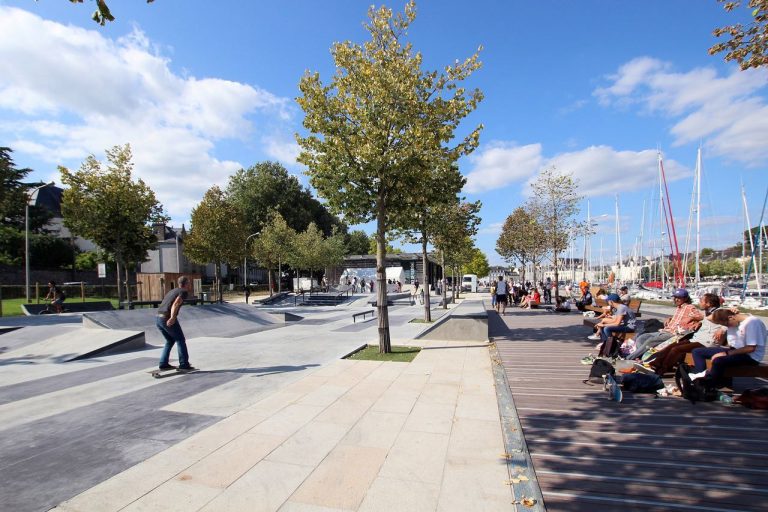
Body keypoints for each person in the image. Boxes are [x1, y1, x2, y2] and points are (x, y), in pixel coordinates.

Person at [647, 293, 725, 375]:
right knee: (671, 345)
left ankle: (663, 369)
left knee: (676, 349)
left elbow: (731, 319)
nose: (699, 303)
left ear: (708, 304)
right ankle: (656, 364)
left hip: (706, 343)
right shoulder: (707, 312)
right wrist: (699, 322)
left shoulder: (720, 312)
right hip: (697, 340)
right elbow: (707, 320)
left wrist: (722, 329)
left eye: (701, 301)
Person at [690, 309, 767, 387]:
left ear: (731, 318)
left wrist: (726, 353)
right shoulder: (733, 320)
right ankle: (700, 379)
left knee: (718, 360)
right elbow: (709, 318)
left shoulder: (752, 323)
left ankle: (710, 385)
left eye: (726, 324)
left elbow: (751, 348)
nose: (727, 327)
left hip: (751, 356)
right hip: (735, 351)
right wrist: (727, 309)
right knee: (697, 351)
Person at [623, 288, 699, 360]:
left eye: (679, 298)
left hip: (674, 334)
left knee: (650, 341)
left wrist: (694, 321)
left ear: (685, 298)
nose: (676, 299)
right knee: (642, 337)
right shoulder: (679, 308)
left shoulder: (689, 307)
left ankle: (629, 358)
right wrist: (670, 318)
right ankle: (641, 357)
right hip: (666, 331)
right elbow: (680, 317)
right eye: (675, 297)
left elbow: (699, 316)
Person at [156, 275, 195, 371]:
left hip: (158, 318)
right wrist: (173, 317)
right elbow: (176, 304)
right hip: (166, 318)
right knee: (180, 340)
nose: (190, 285)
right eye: (189, 283)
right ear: (186, 284)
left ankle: (163, 363)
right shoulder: (183, 292)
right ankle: (184, 364)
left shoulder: (172, 291)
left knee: (170, 341)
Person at [594, 294, 636, 358]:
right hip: (625, 325)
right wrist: (602, 324)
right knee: (603, 328)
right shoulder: (619, 307)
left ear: (611, 301)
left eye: (608, 301)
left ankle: (612, 347)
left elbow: (617, 323)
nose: (607, 302)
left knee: (607, 329)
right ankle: (605, 345)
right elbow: (615, 321)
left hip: (629, 327)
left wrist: (603, 324)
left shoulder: (621, 308)